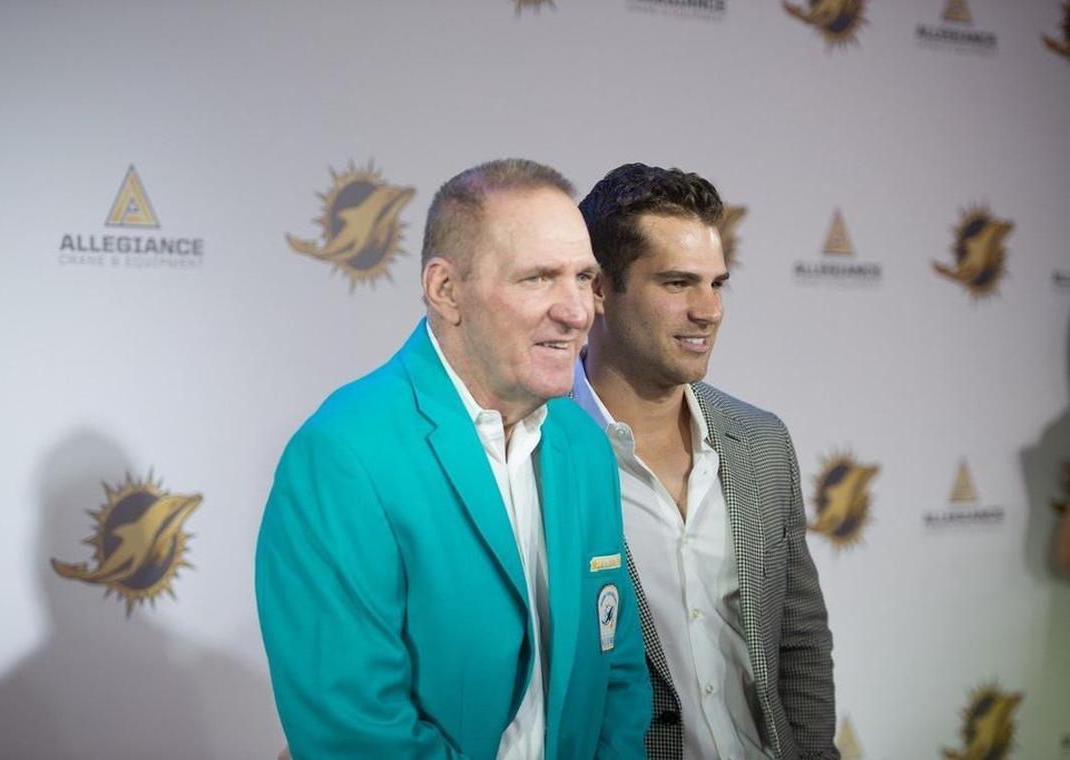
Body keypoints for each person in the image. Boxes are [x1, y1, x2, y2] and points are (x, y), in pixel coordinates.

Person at [256, 158, 651, 759]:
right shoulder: (343, 455)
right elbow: (356, 729)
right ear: (446, 291)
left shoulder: (584, 443)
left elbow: (616, 674)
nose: (577, 312)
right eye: (538, 278)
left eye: (583, 278)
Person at [572, 163, 838, 760]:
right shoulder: (539, 455)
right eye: (677, 283)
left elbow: (799, 640)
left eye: (717, 284)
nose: (709, 310)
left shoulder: (761, 442)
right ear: (598, 290)